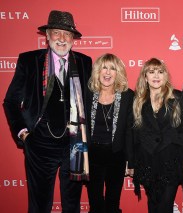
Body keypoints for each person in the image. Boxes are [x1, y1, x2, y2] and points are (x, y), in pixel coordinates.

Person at [3, 10, 92, 213]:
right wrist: (23, 134)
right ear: (47, 35)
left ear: (73, 39)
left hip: (75, 145)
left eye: (67, 34)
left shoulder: (84, 62)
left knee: (72, 206)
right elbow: (10, 101)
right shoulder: (29, 61)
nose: (62, 39)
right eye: (57, 33)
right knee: (40, 206)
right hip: (40, 145)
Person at [132, 58, 183, 213]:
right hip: (147, 161)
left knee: (165, 205)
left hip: (171, 160)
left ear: (165, 76)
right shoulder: (138, 99)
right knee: (153, 205)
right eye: (151, 72)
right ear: (145, 77)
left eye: (160, 72)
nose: (156, 76)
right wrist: (132, 161)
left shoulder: (177, 97)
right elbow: (135, 134)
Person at [86, 53, 134, 213]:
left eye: (112, 69)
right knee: (95, 203)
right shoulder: (88, 93)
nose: (107, 73)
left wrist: (130, 161)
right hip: (91, 155)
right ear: (97, 71)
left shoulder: (127, 96)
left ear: (118, 72)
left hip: (116, 155)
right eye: (104, 68)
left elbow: (129, 131)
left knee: (113, 202)